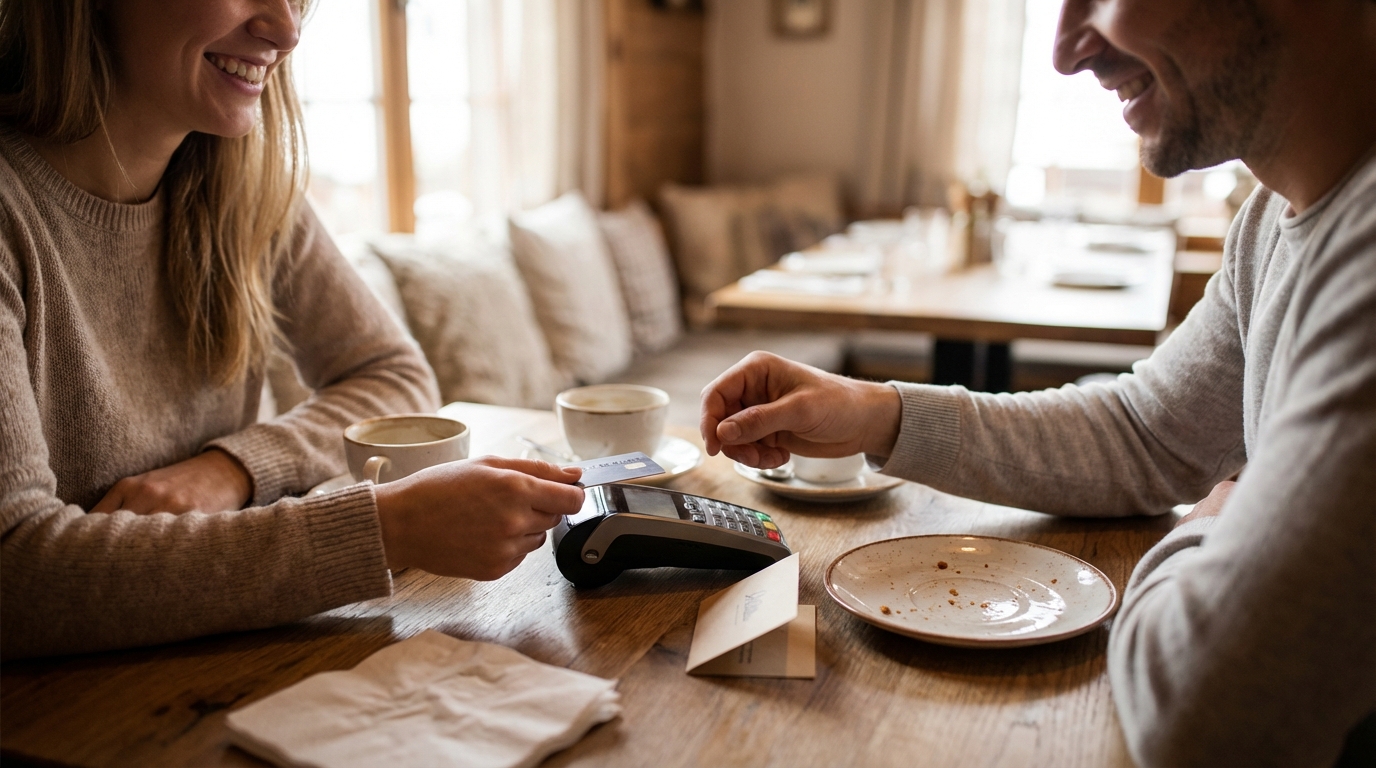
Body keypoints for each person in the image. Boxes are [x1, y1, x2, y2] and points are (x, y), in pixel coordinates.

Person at [700, 1, 1376, 766]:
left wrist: (1207, 528)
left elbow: (1209, 714)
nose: (1065, 51)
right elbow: (1148, 433)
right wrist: (878, 413)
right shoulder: (1271, 218)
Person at [0, 0, 584, 660]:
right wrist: (391, 528)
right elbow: (15, 574)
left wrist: (231, 470)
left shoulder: (244, 188)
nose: (286, 30)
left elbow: (395, 374)